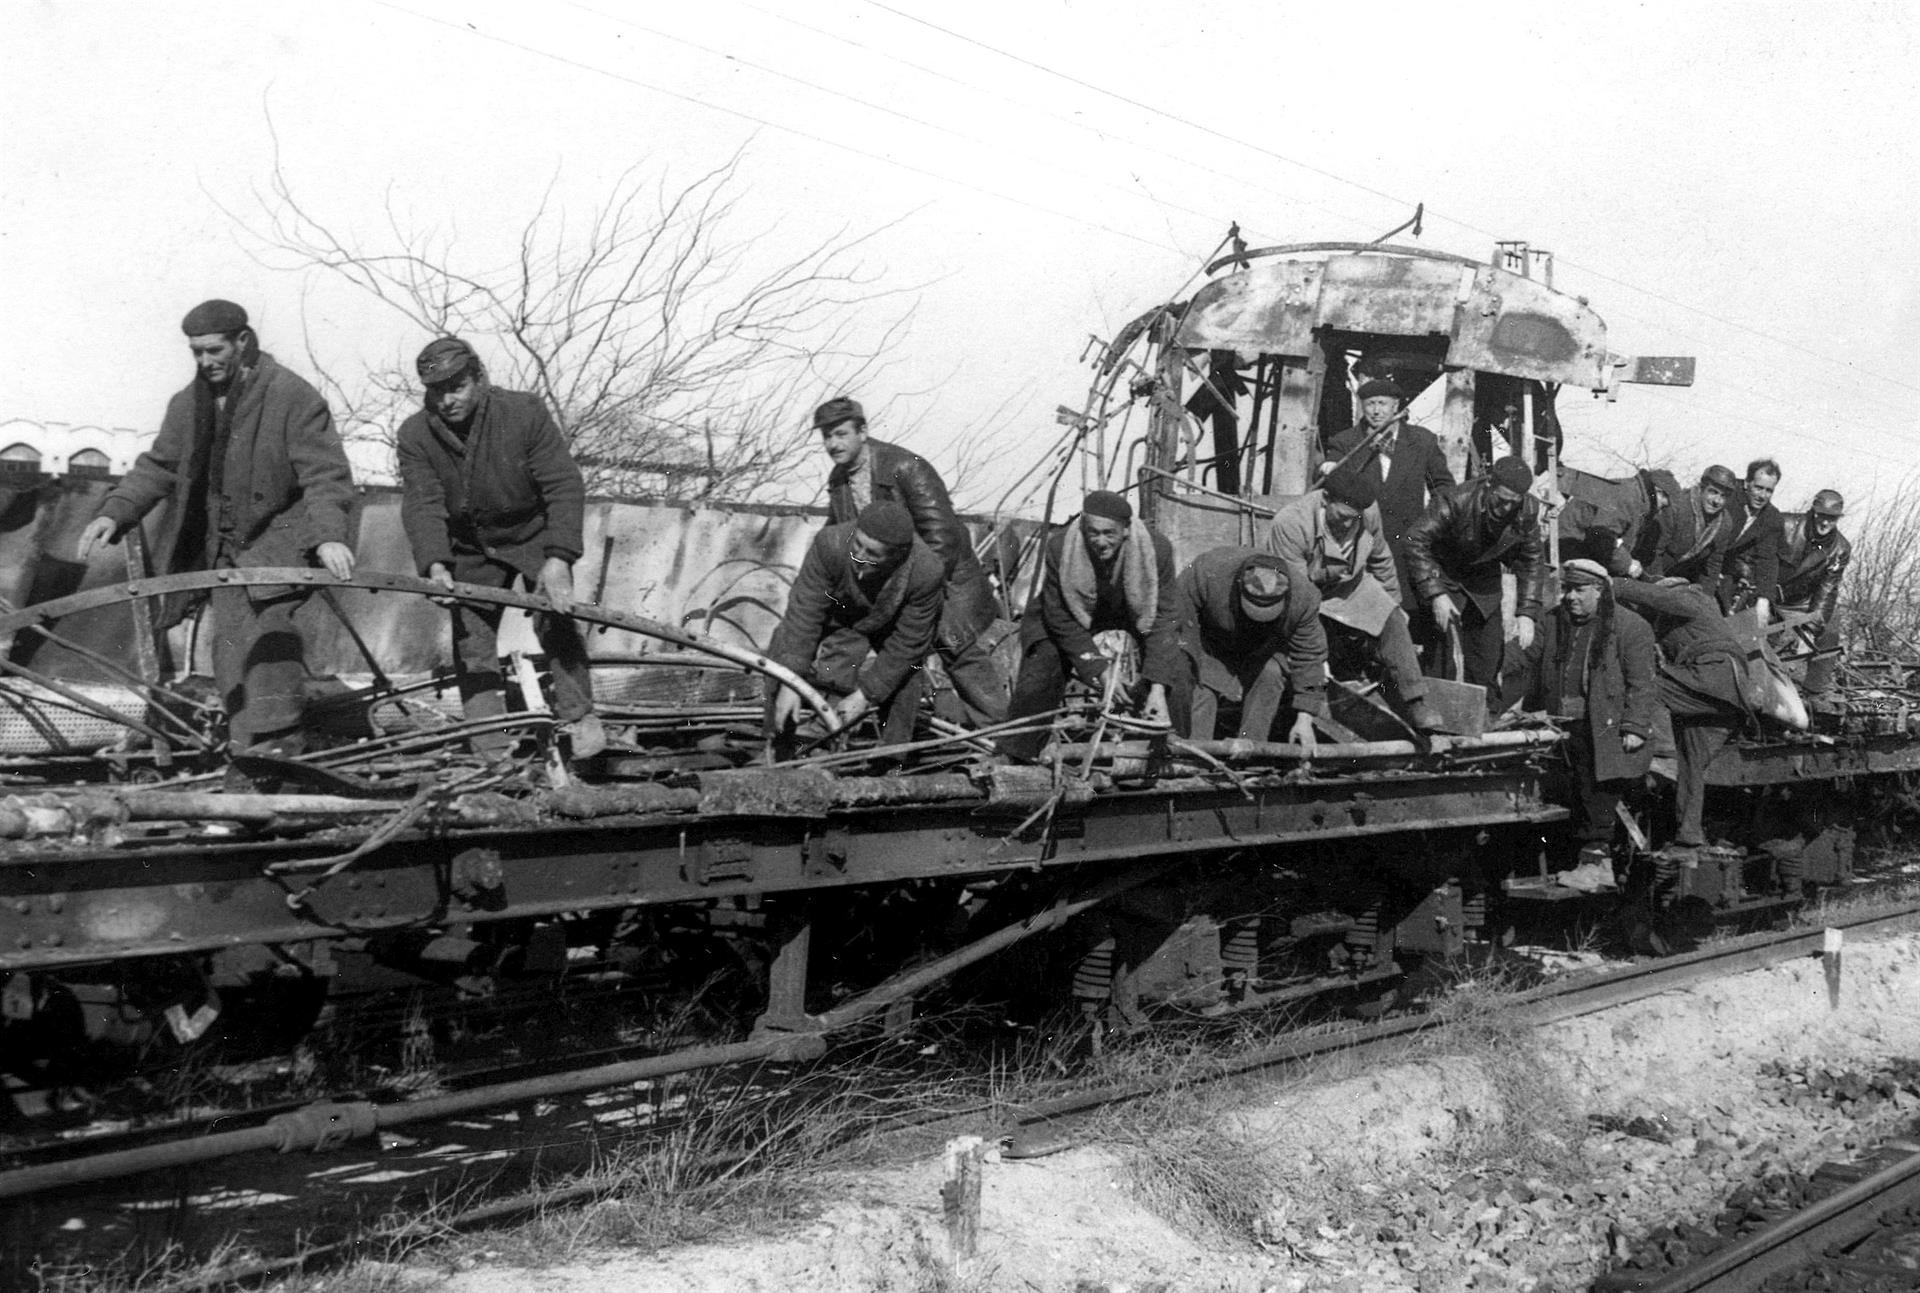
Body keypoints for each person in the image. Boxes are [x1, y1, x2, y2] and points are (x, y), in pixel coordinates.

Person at [77, 299, 356, 773]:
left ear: (243, 342)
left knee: (271, 641)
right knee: (231, 651)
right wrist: (115, 512)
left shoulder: (293, 397)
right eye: (197, 353)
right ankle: (248, 754)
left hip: (278, 543)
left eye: (214, 350)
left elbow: (325, 476)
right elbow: (159, 466)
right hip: (223, 551)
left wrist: (329, 535)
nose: (206, 363)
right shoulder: (189, 404)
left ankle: (278, 758)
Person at [395, 337, 603, 758]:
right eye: (436, 391)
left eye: (457, 387)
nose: (447, 400)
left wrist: (558, 558)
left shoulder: (523, 412)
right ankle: (489, 746)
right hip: (470, 545)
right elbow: (423, 503)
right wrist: (436, 565)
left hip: (532, 534)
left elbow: (563, 484)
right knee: (471, 641)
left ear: (479, 378)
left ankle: (579, 716)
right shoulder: (416, 434)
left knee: (557, 619)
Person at [814, 396, 1006, 726]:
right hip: (882, 584)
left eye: (841, 434)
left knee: (955, 648)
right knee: (843, 636)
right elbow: (838, 532)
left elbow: (942, 537)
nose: (833, 444)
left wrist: (911, 587)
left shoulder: (906, 468)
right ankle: (827, 723)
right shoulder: (839, 479)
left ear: (863, 431)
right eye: (827, 436)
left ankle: (1002, 732)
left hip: (941, 581)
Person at [1611, 575, 1807, 852]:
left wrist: (1614, 585)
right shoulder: (1681, 621)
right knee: (1691, 768)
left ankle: (1662, 754)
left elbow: (1658, 599)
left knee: (1648, 690)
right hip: (1725, 700)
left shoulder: (1693, 598)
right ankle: (1688, 837)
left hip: (1714, 677)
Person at [1261, 465, 1446, 733]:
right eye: (1342, 516)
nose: (1348, 523)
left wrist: (1394, 603)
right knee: (1314, 639)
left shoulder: (1366, 512)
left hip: (1352, 586)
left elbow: (1381, 558)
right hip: (1307, 591)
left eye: (1353, 518)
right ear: (1326, 499)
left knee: (1392, 619)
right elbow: (1298, 594)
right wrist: (1313, 652)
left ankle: (1416, 702)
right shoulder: (1291, 523)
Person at [1000, 490, 1178, 762]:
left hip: (1135, 611)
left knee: (1175, 667)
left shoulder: (1157, 550)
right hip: (1072, 613)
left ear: (1127, 529)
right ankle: (1017, 752)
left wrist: (1157, 685)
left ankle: (1167, 749)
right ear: (1083, 526)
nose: (1101, 542)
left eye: (1110, 533)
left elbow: (1164, 618)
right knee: (1043, 661)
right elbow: (1059, 617)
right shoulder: (1060, 548)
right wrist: (1100, 670)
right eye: (1093, 533)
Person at [766, 501, 944, 748]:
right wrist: (791, 680)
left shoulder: (926, 571)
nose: (858, 556)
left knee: (908, 673)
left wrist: (866, 696)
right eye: (858, 545)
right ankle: (776, 740)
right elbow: (804, 613)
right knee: (783, 640)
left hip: (888, 624)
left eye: (872, 554)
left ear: (896, 557)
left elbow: (908, 643)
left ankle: (890, 761)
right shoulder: (830, 543)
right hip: (837, 612)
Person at [1519, 559, 1657, 867]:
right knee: (1566, 794)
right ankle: (1570, 860)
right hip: (1559, 725)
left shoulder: (1630, 626)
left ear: (1599, 591)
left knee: (1595, 793)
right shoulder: (1553, 621)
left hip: (1603, 728)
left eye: (1579, 590)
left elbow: (1642, 683)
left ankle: (1597, 866)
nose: (1570, 597)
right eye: (1567, 589)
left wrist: (1634, 727)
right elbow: (1524, 661)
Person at [1400, 455, 1547, 695]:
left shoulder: (1528, 510)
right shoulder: (1456, 499)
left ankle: (1482, 719)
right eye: (1502, 500)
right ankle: (1437, 720)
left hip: (1483, 585)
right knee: (1442, 660)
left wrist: (1527, 613)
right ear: (1490, 485)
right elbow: (1414, 540)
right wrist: (1435, 593)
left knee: (1487, 660)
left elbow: (1531, 561)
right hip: (1444, 576)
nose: (1507, 508)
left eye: (1514, 502)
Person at [1319, 377, 1455, 633]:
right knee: (1364, 610)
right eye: (1370, 404)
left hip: (1409, 541)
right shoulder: (1346, 442)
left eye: (1382, 403)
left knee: (1412, 611)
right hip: (1364, 540)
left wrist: (1433, 525)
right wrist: (1329, 467)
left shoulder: (1422, 441)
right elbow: (1332, 467)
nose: (1376, 410)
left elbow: (1443, 487)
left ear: (1396, 406)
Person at [1166, 548, 1326, 747]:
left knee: (1271, 674)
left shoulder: (1304, 598)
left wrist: (1305, 719)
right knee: (1203, 689)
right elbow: (1176, 622)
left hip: (1264, 649)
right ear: (1239, 585)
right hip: (1212, 643)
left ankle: (1250, 749)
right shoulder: (1208, 572)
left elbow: (1310, 657)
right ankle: (1195, 757)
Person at [1775, 489, 1852, 698]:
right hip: (1767, 594)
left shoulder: (1841, 548)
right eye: (1822, 516)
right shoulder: (1785, 523)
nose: (1826, 523)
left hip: (1799, 602)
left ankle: (1815, 693)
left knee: (1830, 624)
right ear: (1813, 511)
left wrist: (1810, 629)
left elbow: (1827, 590)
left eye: (1832, 518)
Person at [1636, 464, 1737, 598]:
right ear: (1702, 488)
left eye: (1723, 496)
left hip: (1679, 580)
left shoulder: (1724, 523)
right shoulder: (1678, 505)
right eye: (1713, 492)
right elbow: (1654, 550)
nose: (1716, 501)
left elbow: (1713, 565)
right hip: (1647, 570)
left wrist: (1705, 600)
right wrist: (1659, 586)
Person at [1719, 459, 1784, 617]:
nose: (1762, 496)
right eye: (1758, 488)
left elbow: (1767, 559)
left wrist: (1764, 599)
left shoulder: (1771, 517)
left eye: (1769, 491)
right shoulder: (1728, 497)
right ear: (1747, 483)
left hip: (1725, 570)